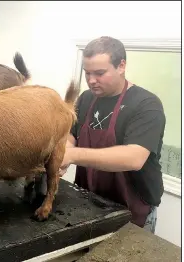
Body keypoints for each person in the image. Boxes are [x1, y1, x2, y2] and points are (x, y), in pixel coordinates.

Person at [58, 36, 165, 234]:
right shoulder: (86, 98)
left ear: (121, 66)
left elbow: (134, 158)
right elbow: (71, 135)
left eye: (99, 73)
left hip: (132, 212)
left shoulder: (146, 105)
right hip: (89, 204)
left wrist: (72, 155)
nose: (91, 81)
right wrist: (63, 154)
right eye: (87, 73)